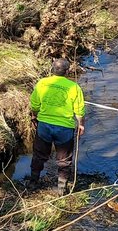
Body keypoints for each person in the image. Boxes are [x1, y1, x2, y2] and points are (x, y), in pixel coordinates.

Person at [26, 58, 86, 195]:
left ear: (52, 69)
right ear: (67, 71)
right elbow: (79, 110)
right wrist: (81, 125)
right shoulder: (74, 87)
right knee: (64, 160)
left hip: (44, 127)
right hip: (64, 129)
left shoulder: (42, 83)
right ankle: (62, 188)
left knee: (39, 155)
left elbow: (34, 104)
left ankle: (33, 183)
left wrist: (34, 116)